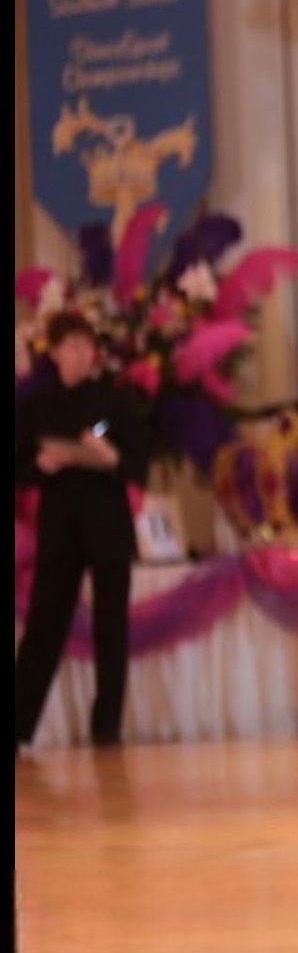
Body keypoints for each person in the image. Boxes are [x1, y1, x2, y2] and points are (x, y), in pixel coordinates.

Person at [14, 312, 149, 750]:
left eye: (85, 345)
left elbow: (139, 462)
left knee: (112, 632)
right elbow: (19, 468)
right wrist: (40, 465)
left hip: (107, 525)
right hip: (60, 527)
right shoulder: (37, 407)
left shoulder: (114, 401)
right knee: (43, 626)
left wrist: (110, 457)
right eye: (70, 346)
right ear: (52, 353)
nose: (80, 353)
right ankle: (19, 726)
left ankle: (106, 731)